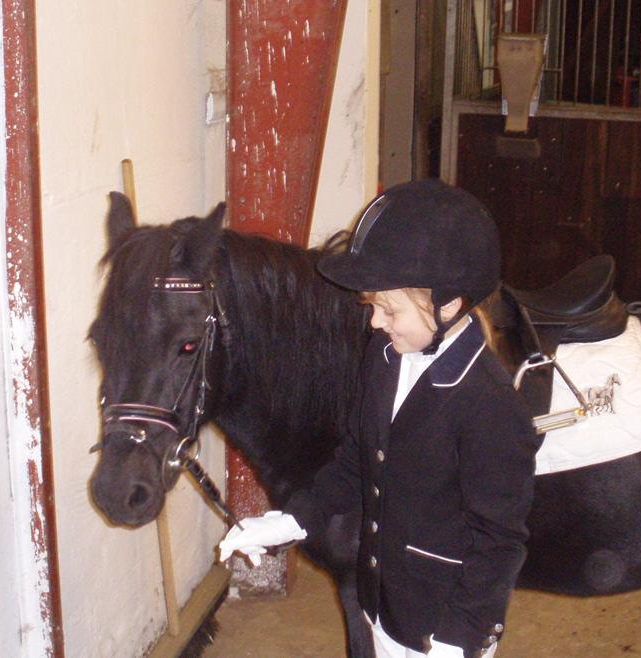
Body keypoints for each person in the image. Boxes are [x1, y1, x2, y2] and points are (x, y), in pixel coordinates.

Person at [218, 179, 538, 658]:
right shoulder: (384, 357)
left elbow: (500, 542)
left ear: (447, 306)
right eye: (372, 307)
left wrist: (463, 637)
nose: (374, 323)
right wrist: (291, 520)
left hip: (442, 629)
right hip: (379, 606)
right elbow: (356, 459)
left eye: (388, 309)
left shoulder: (490, 406)